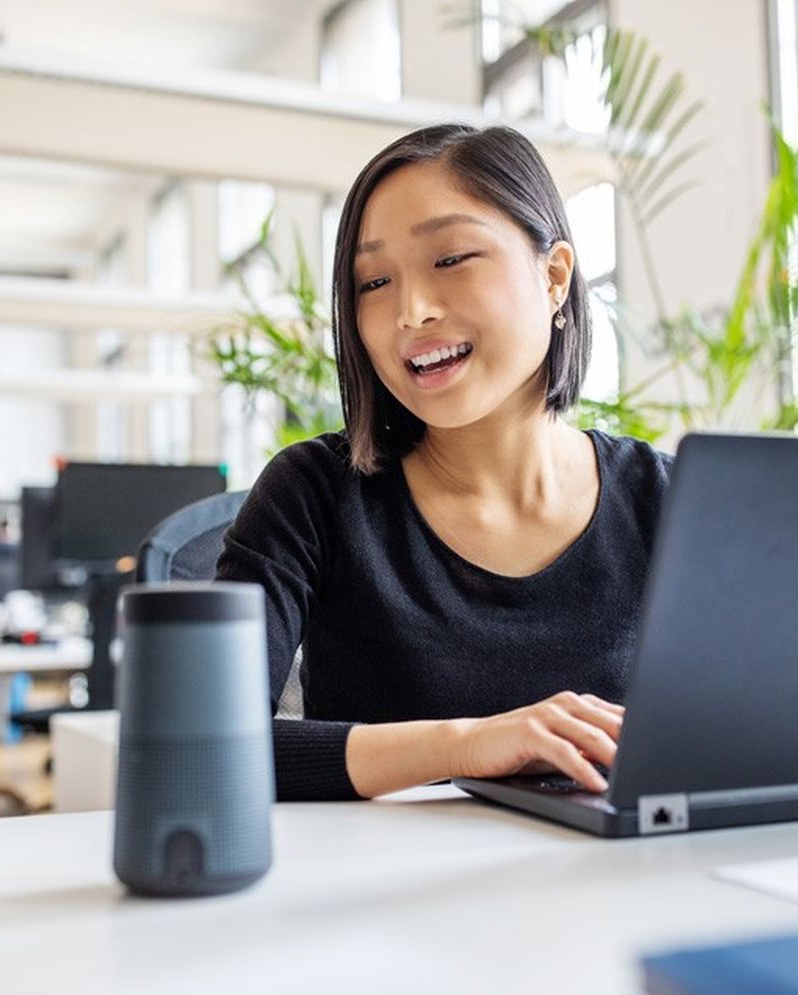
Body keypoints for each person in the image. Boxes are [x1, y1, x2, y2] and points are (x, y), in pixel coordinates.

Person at [216, 123, 672, 801]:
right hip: (391, 896)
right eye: (372, 281)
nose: (410, 311)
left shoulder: (666, 499)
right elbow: (206, 744)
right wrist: (467, 745)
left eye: (451, 259)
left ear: (553, 276)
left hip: (641, 888)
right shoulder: (311, 496)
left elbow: (770, 721)